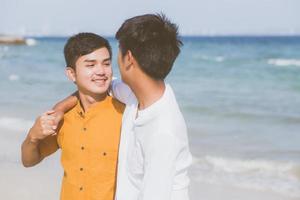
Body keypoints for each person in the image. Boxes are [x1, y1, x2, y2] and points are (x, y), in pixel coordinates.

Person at [48, 13, 192, 200]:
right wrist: (60, 108)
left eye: (118, 52)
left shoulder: (163, 132)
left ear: (129, 58)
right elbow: (95, 87)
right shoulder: (135, 94)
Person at [21, 33, 124, 200]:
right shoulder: (63, 117)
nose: (101, 71)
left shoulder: (125, 114)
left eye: (106, 64)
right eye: (90, 65)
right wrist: (33, 136)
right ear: (71, 74)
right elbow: (29, 161)